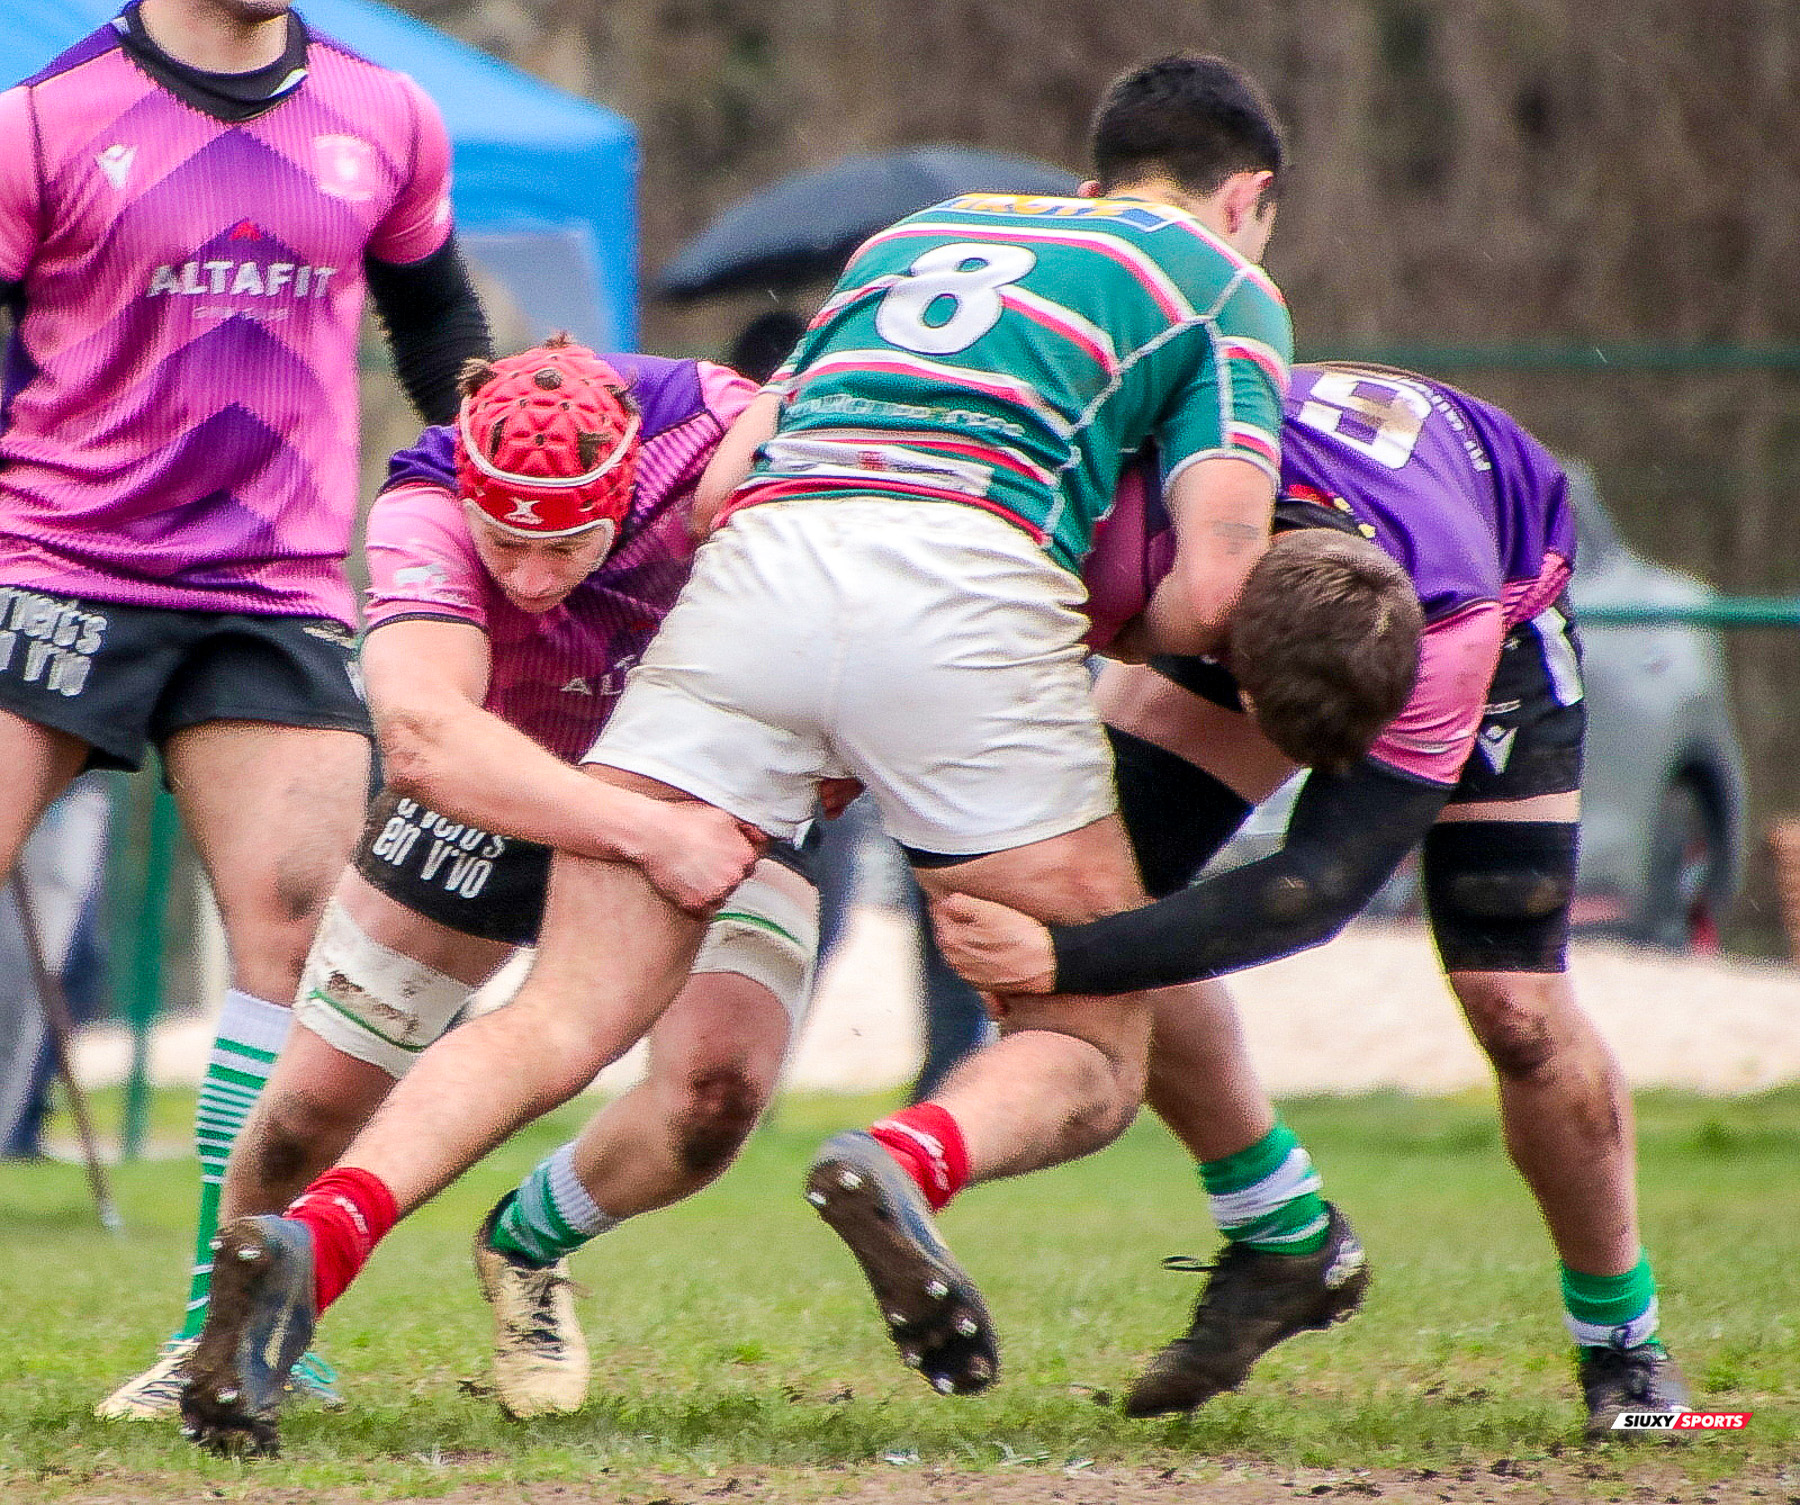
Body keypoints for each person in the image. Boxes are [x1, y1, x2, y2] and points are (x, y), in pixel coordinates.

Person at [175, 52, 1297, 1451]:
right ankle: (902, 1158)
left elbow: (723, 486)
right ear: (1247, 198)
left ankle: (321, 1240)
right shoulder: (1225, 286)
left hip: (760, 584)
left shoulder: (917, 240)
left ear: (1090, 180)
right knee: (1087, 1040)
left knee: (561, 1020)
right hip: (964, 594)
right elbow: (1209, 587)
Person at [932, 362, 1692, 1439]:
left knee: (1512, 1002)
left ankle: (1627, 1343)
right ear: (1226, 646)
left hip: (1480, 591)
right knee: (1107, 892)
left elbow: (1316, 886)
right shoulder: (1178, 536)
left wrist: (1061, 962)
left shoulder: (1448, 631)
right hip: (1272, 545)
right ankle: (1282, 1227)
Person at [100, 339, 795, 1427]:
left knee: (715, 1096)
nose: (526, 575)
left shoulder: (728, 435)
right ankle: (217, 1335)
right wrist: (643, 835)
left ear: (628, 491)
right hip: (503, 780)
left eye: (563, 544)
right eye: (502, 541)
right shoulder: (426, 500)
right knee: (305, 1113)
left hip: (701, 778)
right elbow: (426, 740)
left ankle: (528, 1240)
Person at [0, 0, 496, 1420]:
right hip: (53, 564)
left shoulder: (385, 113)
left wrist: (493, 455)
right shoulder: (43, 120)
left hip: (272, 588)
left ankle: (227, 1334)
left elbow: (435, 316)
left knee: (297, 951)